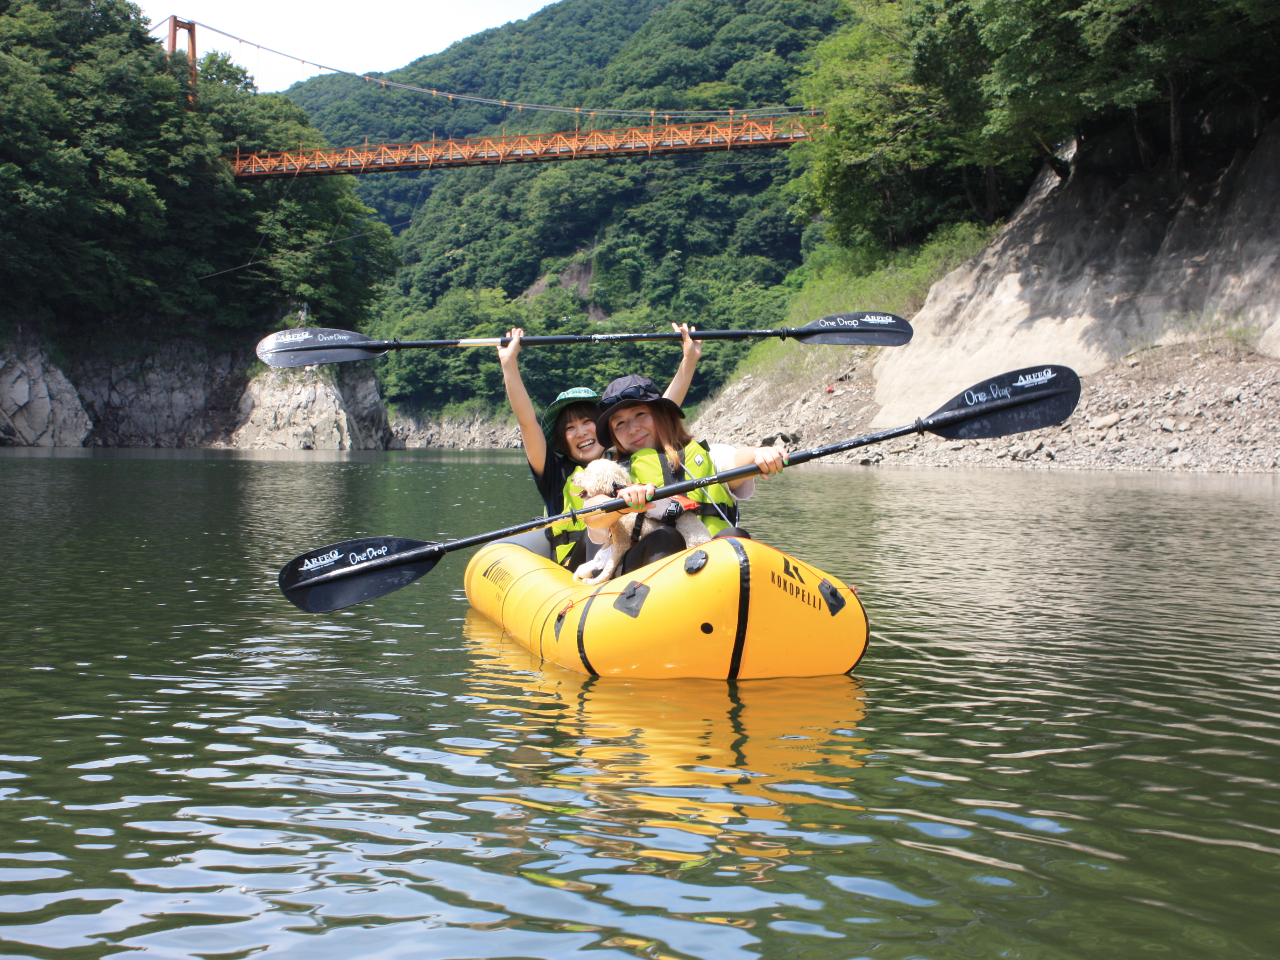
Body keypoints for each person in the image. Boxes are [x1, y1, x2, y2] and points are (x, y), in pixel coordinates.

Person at [498, 324, 703, 568]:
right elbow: (527, 422)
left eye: (588, 422)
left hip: (620, 554)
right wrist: (509, 364)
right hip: (578, 560)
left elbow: (662, 412)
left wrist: (689, 359)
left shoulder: (622, 460)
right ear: (563, 439)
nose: (581, 432)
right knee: (595, 525)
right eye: (570, 428)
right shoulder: (556, 472)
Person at [582, 374, 786, 574]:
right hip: (641, 572)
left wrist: (759, 453)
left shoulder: (710, 455)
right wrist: (621, 503)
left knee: (735, 537)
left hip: (709, 570)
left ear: (662, 415)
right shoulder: (615, 473)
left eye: (640, 414)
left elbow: (738, 460)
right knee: (665, 538)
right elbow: (592, 512)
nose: (633, 429)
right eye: (619, 423)